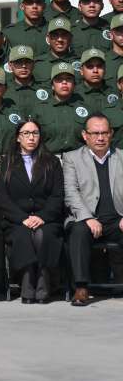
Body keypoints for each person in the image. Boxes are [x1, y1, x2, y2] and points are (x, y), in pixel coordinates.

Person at [0, 118, 65, 304]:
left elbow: (57, 195)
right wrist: (22, 218)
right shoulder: (7, 162)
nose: (31, 137)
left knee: (43, 234)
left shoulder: (52, 162)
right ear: (18, 138)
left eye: (35, 133)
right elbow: (3, 197)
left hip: (47, 219)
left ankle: (42, 284)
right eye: (26, 133)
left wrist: (42, 216)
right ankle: (27, 282)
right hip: (17, 220)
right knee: (24, 234)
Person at [62, 114, 123, 306]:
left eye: (104, 132)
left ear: (111, 134)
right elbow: (71, 192)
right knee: (78, 231)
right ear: (85, 135)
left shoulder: (121, 156)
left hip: (117, 219)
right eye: (95, 133)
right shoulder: (72, 158)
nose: (100, 138)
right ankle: (81, 287)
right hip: (86, 219)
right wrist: (87, 218)